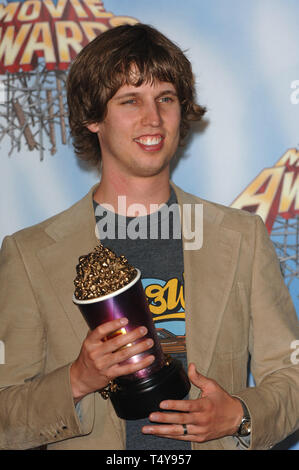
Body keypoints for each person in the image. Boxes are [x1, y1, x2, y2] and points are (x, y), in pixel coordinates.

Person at [0, 23, 298, 451]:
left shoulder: (241, 237)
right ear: (92, 118)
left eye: (165, 98)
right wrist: (76, 379)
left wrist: (239, 414)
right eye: (129, 100)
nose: (153, 118)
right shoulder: (30, 254)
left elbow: (291, 377)